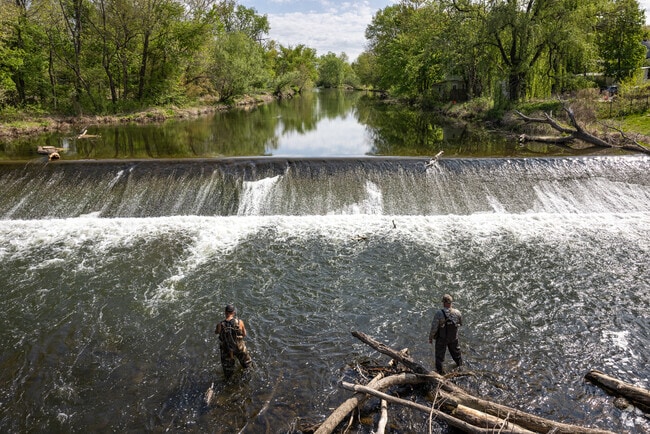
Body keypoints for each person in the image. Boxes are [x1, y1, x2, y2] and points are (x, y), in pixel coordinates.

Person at [428, 294, 462, 374]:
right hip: (454, 338)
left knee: (439, 358)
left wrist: (430, 337)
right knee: (457, 354)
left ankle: (440, 374)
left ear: (444, 303)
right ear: (451, 302)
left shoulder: (439, 313)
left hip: (442, 338)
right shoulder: (458, 312)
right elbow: (460, 323)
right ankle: (460, 368)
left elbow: (434, 328)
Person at [215, 304, 252, 378]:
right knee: (248, 366)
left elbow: (216, 332)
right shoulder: (239, 322)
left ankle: (229, 385)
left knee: (228, 373)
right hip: (239, 348)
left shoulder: (220, 324)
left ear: (225, 312)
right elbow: (244, 334)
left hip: (227, 350)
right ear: (233, 312)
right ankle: (247, 380)